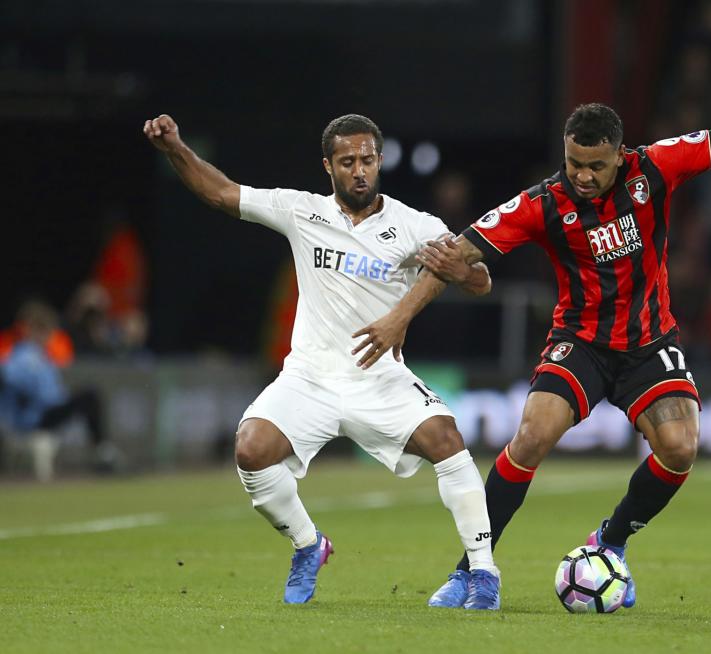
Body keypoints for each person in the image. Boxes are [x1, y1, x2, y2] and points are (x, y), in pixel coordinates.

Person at [352, 76, 711, 608]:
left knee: (679, 449)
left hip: (649, 344)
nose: (582, 176)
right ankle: (474, 571)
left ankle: (610, 543)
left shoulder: (656, 166)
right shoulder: (540, 203)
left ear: (619, 156)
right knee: (532, 436)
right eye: (573, 163)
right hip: (579, 342)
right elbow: (456, 255)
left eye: (595, 166)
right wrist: (399, 318)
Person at [143, 113, 501, 608]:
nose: (360, 171)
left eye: (368, 160)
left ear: (379, 161)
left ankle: (483, 573)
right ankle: (309, 544)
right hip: (310, 377)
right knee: (251, 449)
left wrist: (458, 269)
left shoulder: (416, 225)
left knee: (447, 439)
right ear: (328, 166)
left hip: (379, 378)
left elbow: (481, 282)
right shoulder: (301, 211)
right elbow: (221, 193)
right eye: (348, 161)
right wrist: (175, 149)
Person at [0, 300, 116, 477]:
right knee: (90, 395)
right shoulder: (23, 356)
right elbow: (8, 377)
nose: (48, 336)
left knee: (88, 397)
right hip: (34, 418)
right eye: (44, 330)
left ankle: (103, 452)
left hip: (46, 413)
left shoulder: (42, 356)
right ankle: (102, 453)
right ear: (32, 330)